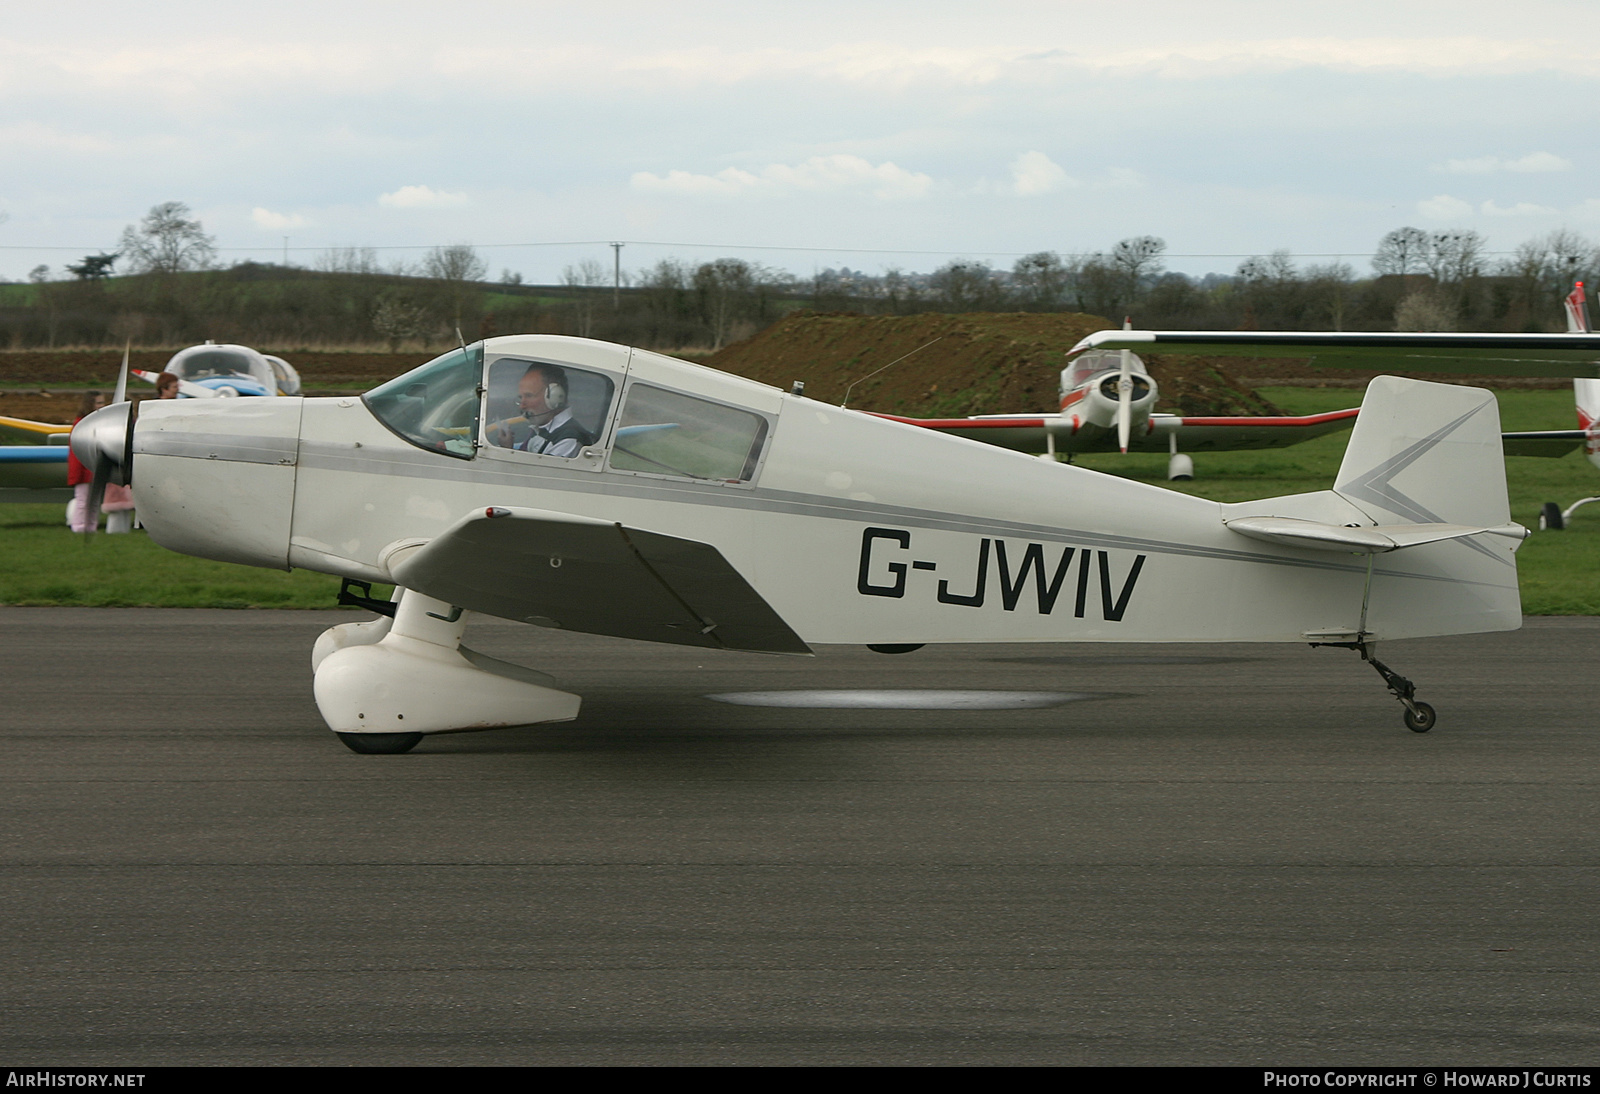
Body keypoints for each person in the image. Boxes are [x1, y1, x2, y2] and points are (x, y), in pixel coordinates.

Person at [496, 363, 595, 458]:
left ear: (555, 397)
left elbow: (536, 474)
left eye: (529, 396)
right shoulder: (543, 427)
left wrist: (507, 451)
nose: (522, 406)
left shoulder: (568, 440)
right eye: (520, 398)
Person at [65, 390, 105, 532]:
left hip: (94, 467)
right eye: (99, 402)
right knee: (82, 501)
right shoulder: (81, 424)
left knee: (93, 502)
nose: (102, 405)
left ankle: (91, 526)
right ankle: (79, 526)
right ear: (90, 404)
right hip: (83, 467)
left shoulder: (98, 422)